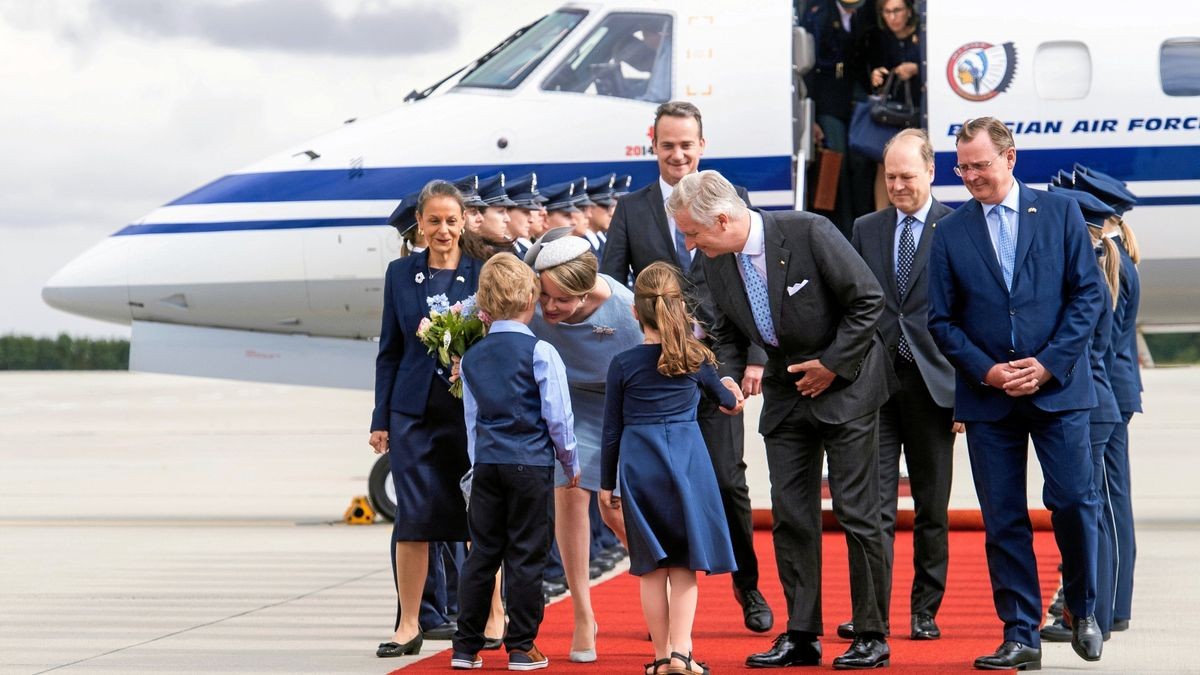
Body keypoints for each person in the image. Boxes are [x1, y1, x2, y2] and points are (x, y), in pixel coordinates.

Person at [669, 170, 894, 670]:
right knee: (791, 516)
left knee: (857, 513)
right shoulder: (718, 260)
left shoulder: (809, 231)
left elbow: (867, 301)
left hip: (849, 384)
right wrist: (724, 379)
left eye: (693, 233)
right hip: (786, 394)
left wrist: (832, 365)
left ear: (723, 219)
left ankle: (871, 633)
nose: (689, 243)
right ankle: (801, 634)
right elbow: (726, 332)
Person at [926, 117, 1105, 670]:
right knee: (1003, 518)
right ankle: (1020, 633)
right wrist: (988, 372)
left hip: (1059, 391)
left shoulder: (1059, 213)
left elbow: (1087, 297)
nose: (972, 176)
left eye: (981, 164)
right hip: (989, 398)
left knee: (1074, 501)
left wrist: (1049, 365)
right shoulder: (950, 232)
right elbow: (941, 320)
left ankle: (1082, 606)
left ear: (1010, 157)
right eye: (963, 167)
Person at [601, 100, 775, 636]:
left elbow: (755, 279)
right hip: (654, 375)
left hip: (718, 365)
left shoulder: (732, 201)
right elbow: (611, 285)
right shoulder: (632, 209)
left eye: (687, 144)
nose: (678, 154)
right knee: (658, 489)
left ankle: (748, 587)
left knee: (728, 482)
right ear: (653, 145)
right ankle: (669, 612)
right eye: (668, 144)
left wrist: (755, 357)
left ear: (703, 145)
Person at [599, 261, 742, 675]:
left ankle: (661, 657)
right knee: (683, 566)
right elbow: (729, 404)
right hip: (686, 465)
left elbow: (611, 431)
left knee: (649, 569)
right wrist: (731, 389)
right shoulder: (695, 358)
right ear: (679, 307)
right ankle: (683, 653)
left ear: (634, 311)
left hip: (639, 469)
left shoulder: (622, 364)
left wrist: (607, 484)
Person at [848, 128, 958, 642]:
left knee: (932, 507)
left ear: (931, 172)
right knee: (873, 507)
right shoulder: (866, 228)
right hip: (876, 385)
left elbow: (971, 312)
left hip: (935, 387)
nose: (897, 185)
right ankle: (874, 612)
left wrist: (967, 391)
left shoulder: (957, 228)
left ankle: (924, 610)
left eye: (907, 176)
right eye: (890, 176)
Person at [370, 180, 484, 659]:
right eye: (433, 220)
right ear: (419, 223)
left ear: (463, 223)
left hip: (467, 410)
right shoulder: (400, 274)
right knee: (413, 517)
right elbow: (389, 351)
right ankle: (409, 623)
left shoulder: (483, 271)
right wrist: (380, 418)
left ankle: (484, 618)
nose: (443, 230)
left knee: (475, 516)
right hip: (412, 411)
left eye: (451, 221)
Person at [451, 253, 581, 671]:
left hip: (488, 463)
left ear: (483, 305)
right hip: (530, 464)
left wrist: (477, 465)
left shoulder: (472, 357)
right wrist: (569, 459)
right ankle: (522, 646)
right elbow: (557, 415)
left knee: (483, 554)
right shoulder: (541, 351)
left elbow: (472, 421)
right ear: (531, 299)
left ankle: (465, 646)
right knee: (526, 555)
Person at [526, 228, 644, 662]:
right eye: (545, 297)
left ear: (586, 290)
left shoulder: (626, 310)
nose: (549, 308)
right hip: (566, 401)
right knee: (570, 494)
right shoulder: (534, 296)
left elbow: (653, 367)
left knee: (614, 509)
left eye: (561, 300)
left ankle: (657, 581)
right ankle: (582, 613)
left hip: (621, 402)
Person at [1038, 186, 1121, 643]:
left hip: (1089, 408)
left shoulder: (1086, 279)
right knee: (1090, 510)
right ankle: (1089, 611)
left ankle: (1094, 614)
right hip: (1095, 405)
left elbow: (1092, 351)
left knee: (1087, 513)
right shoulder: (1095, 268)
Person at [798, 0, 876, 236]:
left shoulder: (865, 13)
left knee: (862, 160)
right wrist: (809, 115)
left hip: (856, 96)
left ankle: (866, 223)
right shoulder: (817, 15)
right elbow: (807, 65)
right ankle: (840, 230)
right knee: (835, 160)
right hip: (826, 99)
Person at [863, 0, 922, 210]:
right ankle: (882, 214)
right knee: (885, 162)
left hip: (919, 109)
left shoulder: (923, 35)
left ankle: (917, 210)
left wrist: (916, 69)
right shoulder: (880, 38)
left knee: (918, 159)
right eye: (886, 12)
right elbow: (871, 71)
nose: (892, 17)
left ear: (908, 11)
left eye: (897, 10)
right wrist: (876, 76)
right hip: (890, 112)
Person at [505, 173, 543, 259]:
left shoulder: (520, 248)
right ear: (506, 212)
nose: (531, 220)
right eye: (525, 212)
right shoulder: (498, 252)